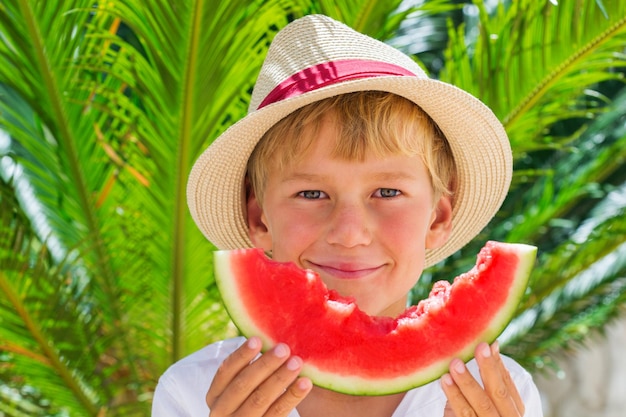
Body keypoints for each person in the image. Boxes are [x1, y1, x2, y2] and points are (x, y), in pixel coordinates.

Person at [152, 14, 543, 417]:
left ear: (438, 217)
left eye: (388, 192)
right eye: (311, 193)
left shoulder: (498, 393)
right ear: (259, 218)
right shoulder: (194, 391)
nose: (350, 233)